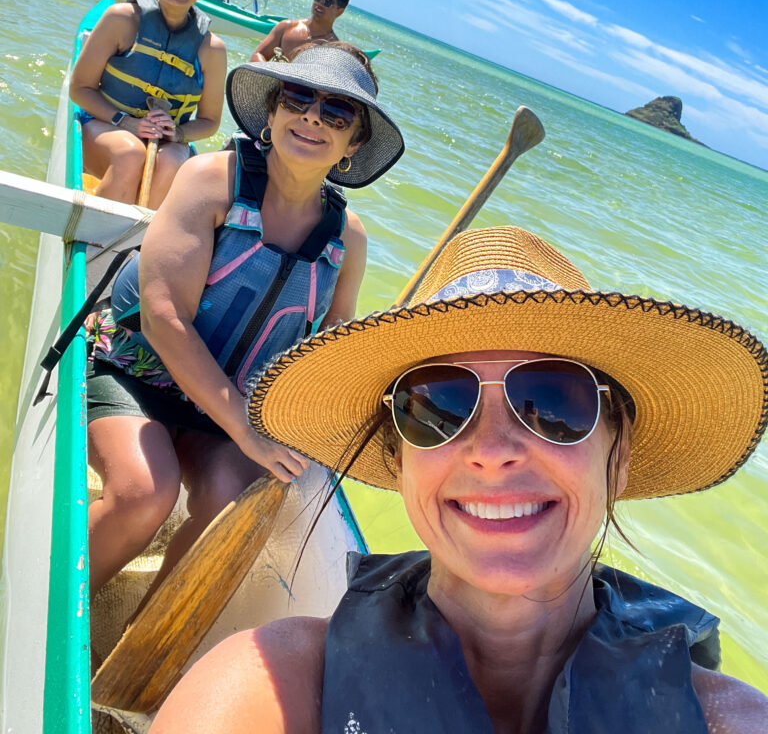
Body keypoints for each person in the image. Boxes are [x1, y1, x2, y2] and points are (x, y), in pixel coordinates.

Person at [152, 226, 768, 734]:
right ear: (397, 457)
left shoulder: (733, 723)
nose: (493, 451)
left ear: (620, 452)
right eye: (438, 405)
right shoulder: (267, 694)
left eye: (553, 400)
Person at [85, 44, 404, 597]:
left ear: (353, 144)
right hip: (138, 369)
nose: (311, 117)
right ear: (274, 111)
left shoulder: (347, 238)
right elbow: (163, 318)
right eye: (299, 98)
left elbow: (329, 342)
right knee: (144, 493)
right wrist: (243, 429)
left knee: (227, 512)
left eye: (336, 113)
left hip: (232, 400)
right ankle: (48, 616)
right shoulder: (211, 181)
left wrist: (374, 365)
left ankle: (139, 651)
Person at [70, 0, 227, 209]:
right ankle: (95, 239)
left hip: (165, 142)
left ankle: (138, 246)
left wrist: (176, 133)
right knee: (130, 153)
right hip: (104, 124)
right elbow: (79, 89)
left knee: (171, 162)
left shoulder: (212, 49)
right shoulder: (121, 19)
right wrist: (125, 122)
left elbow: (209, 122)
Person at [251, 0, 350, 62]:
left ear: (339, 11)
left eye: (327, 2)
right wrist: (270, 76)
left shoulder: (333, 49)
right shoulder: (286, 27)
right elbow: (258, 54)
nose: (320, 4)